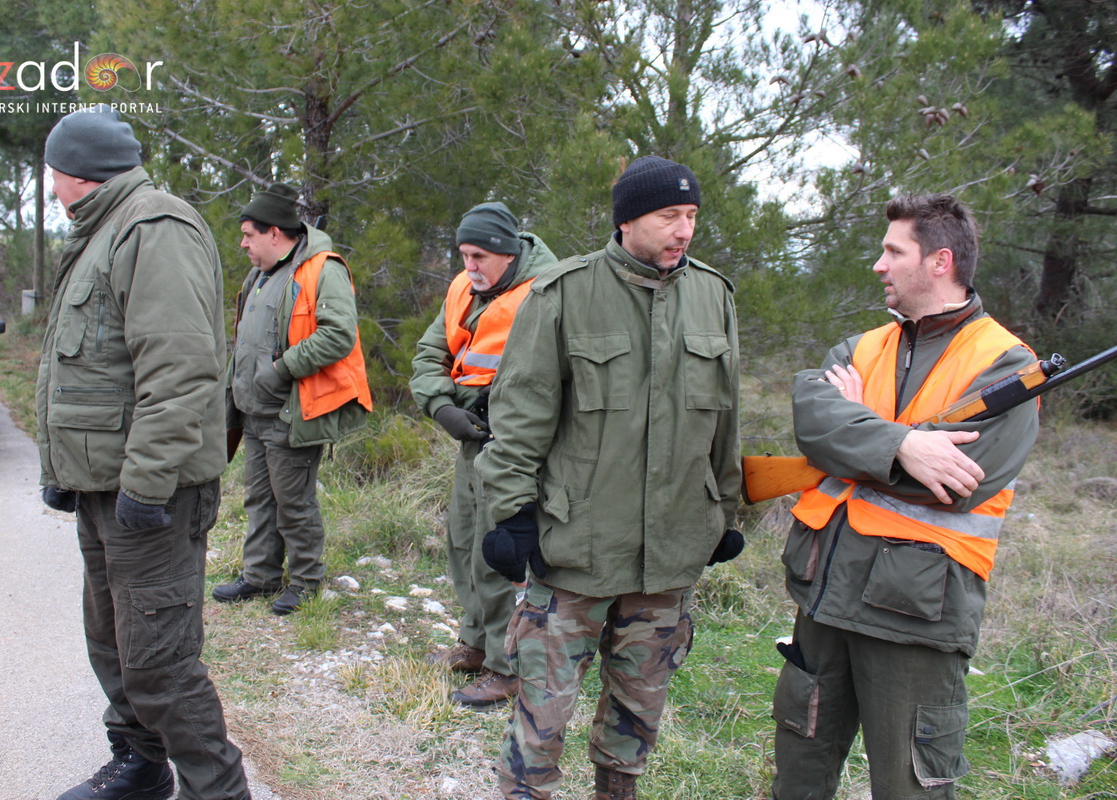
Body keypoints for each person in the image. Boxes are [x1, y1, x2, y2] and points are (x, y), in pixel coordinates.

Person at [475, 156, 743, 800]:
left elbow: (725, 422)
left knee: (638, 712)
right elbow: (519, 417)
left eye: (692, 217)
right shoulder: (563, 294)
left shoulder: (714, 294)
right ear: (628, 221)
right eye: (668, 217)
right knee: (542, 715)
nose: (684, 231)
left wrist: (724, 512)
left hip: (669, 551)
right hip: (576, 548)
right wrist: (511, 515)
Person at [771, 194, 1041, 800]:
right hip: (825, 594)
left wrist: (863, 432)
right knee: (799, 765)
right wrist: (902, 445)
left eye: (893, 251)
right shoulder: (861, 349)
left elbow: (962, 479)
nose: (879, 264)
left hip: (915, 612)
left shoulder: (1007, 362)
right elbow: (813, 421)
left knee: (910, 785)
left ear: (940, 261)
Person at [35, 105, 250, 800]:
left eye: (52, 171)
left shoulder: (153, 228)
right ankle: (140, 767)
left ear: (72, 172)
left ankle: (219, 790)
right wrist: (63, 470)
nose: (49, 183)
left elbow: (182, 371)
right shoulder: (103, 231)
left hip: (150, 494)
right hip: (108, 487)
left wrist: (147, 485)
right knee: (115, 647)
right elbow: (89, 371)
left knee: (159, 663)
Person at [409, 201, 558, 707]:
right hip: (470, 434)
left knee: (499, 554)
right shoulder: (463, 289)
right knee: (462, 540)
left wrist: (506, 423)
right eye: (463, 254)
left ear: (508, 252)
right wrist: (443, 407)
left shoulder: (548, 291)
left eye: (479, 255)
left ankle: (506, 667)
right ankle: (474, 643)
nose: (469, 266)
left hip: (515, 442)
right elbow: (430, 354)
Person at [212, 183, 372, 616]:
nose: (243, 243)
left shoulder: (322, 269)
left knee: (294, 502)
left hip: (291, 412)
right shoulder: (260, 274)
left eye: (248, 234)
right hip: (254, 412)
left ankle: (304, 582)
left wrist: (281, 368)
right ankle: (259, 576)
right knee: (259, 499)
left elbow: (339, 335)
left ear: (275, 234)